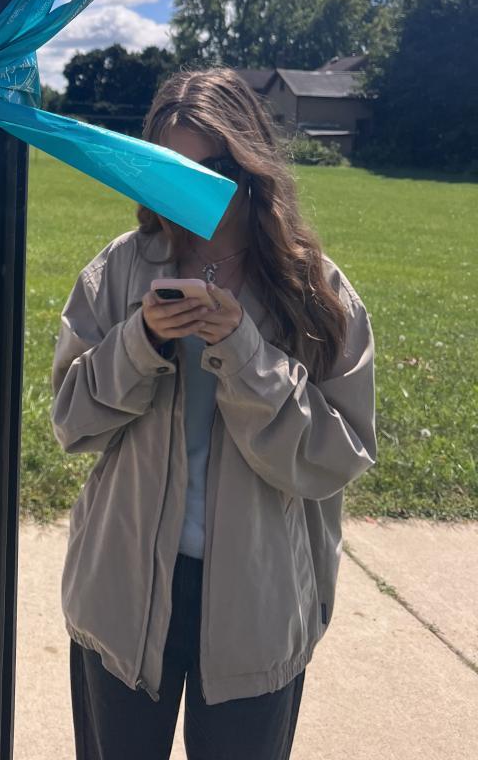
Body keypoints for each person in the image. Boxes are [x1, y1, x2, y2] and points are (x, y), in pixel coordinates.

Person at [51, 68, 377, 760]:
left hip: (257, 604)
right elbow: (71, 422)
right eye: (175, 170)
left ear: (253, 167)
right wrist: (139, 342)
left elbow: (338, 456)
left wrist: (244, 351)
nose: (197, 191)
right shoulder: (118, 272)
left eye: (217, 170)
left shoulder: (314, 289)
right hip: (122, 590)